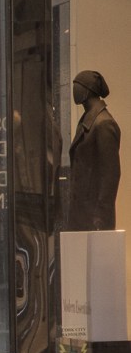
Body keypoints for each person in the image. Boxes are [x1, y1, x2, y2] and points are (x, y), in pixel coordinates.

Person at [67, 70, 121, 232]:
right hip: (83, 211)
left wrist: (101, 216)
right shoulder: (88, 119)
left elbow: (110, 174)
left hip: (94, 216)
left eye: (77, 86)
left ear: (87, 90)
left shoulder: (103, 124)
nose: (74, 91)